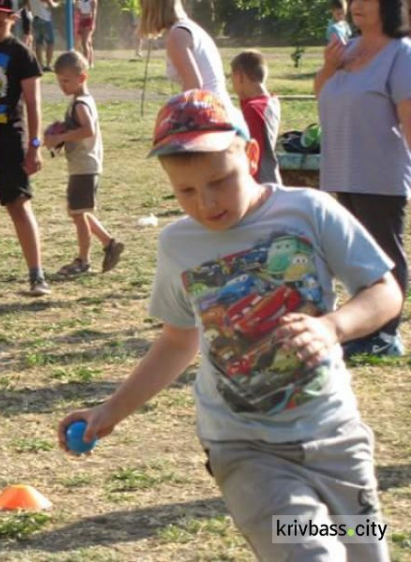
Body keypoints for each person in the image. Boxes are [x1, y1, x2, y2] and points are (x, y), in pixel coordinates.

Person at [59, 89, 402, 562]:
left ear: (252, 155)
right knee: (310, 553)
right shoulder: (178, 245)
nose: (207, 203)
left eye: (220, 181)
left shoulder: (309, 212)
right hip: (246, 450)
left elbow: (385, 291)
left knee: (366, 555)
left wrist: (334, 327)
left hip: (337, 439)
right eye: (186, 191)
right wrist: (110, 410)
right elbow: (179, 341)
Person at [315, 0, 410, 357]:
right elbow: (320, 92)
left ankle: (386, 335)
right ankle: (364, 328)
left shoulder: (402, 53)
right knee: (355, 256)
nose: (357, 5)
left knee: (384, 254)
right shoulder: (348, 48)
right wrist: (328, 67)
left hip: (381, 173)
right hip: (342, 169)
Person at [0, 0, 51, 296]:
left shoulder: (21, 53)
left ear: (12, 19)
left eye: (0, 23)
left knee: (18, 203)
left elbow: (33, 103)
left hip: (11, 135)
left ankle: (37, 274)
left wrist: (35, 145)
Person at [44, 51, 123, 276]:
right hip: (83, 165)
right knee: (79, 211)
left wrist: (60, 137)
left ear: (83, 78)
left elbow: (88, 130)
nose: (62, 85)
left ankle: (83, 260)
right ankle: (109, 243)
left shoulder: (81, 104)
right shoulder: (79, 102)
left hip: (85, 166)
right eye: (59, 80)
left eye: (67, 81)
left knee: (78, 214)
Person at [139, 0, 243, 128]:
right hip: (223, 113)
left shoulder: (177, 35)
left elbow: (194, 87)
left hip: (210, 117)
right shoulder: (190, 29)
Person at [231, 50, 282, 184]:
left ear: (239, 76)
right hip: (270, 177)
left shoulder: (253, 110)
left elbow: (250, 155)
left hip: (259, 183)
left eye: (232, 78)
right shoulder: (272, 101)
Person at [30, 0, 58, 71]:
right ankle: (48, 65)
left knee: (38, 43)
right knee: (51, 43)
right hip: (45, 19)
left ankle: (40, 64)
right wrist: (56, 4)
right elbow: (51, 3)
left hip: (35, 19)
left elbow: (29, 7)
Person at [76, 0, 97, 67]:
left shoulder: (92, 1)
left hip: (88, 21)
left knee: (84, 43)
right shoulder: (80, 1)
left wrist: (93, 23)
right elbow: (78, 10)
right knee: (88, 43)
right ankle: (91, 62)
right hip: (81, 21)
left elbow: (94, 12)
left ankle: (86, 62)